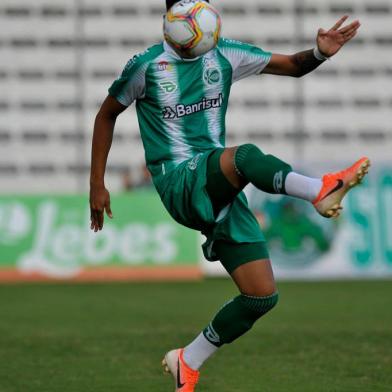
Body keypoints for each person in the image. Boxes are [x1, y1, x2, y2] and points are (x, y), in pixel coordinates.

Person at [89, 1, 369, 390]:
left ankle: (188, 359)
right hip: (179, 181)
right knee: (245, 157)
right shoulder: (147, 66)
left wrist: (321, 51)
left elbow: (292, 65)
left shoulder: (225, 54)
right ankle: (319, 190)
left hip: (217, 185)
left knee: (260, 296)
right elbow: (106, 114)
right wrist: (97, 184)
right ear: (172, 23)